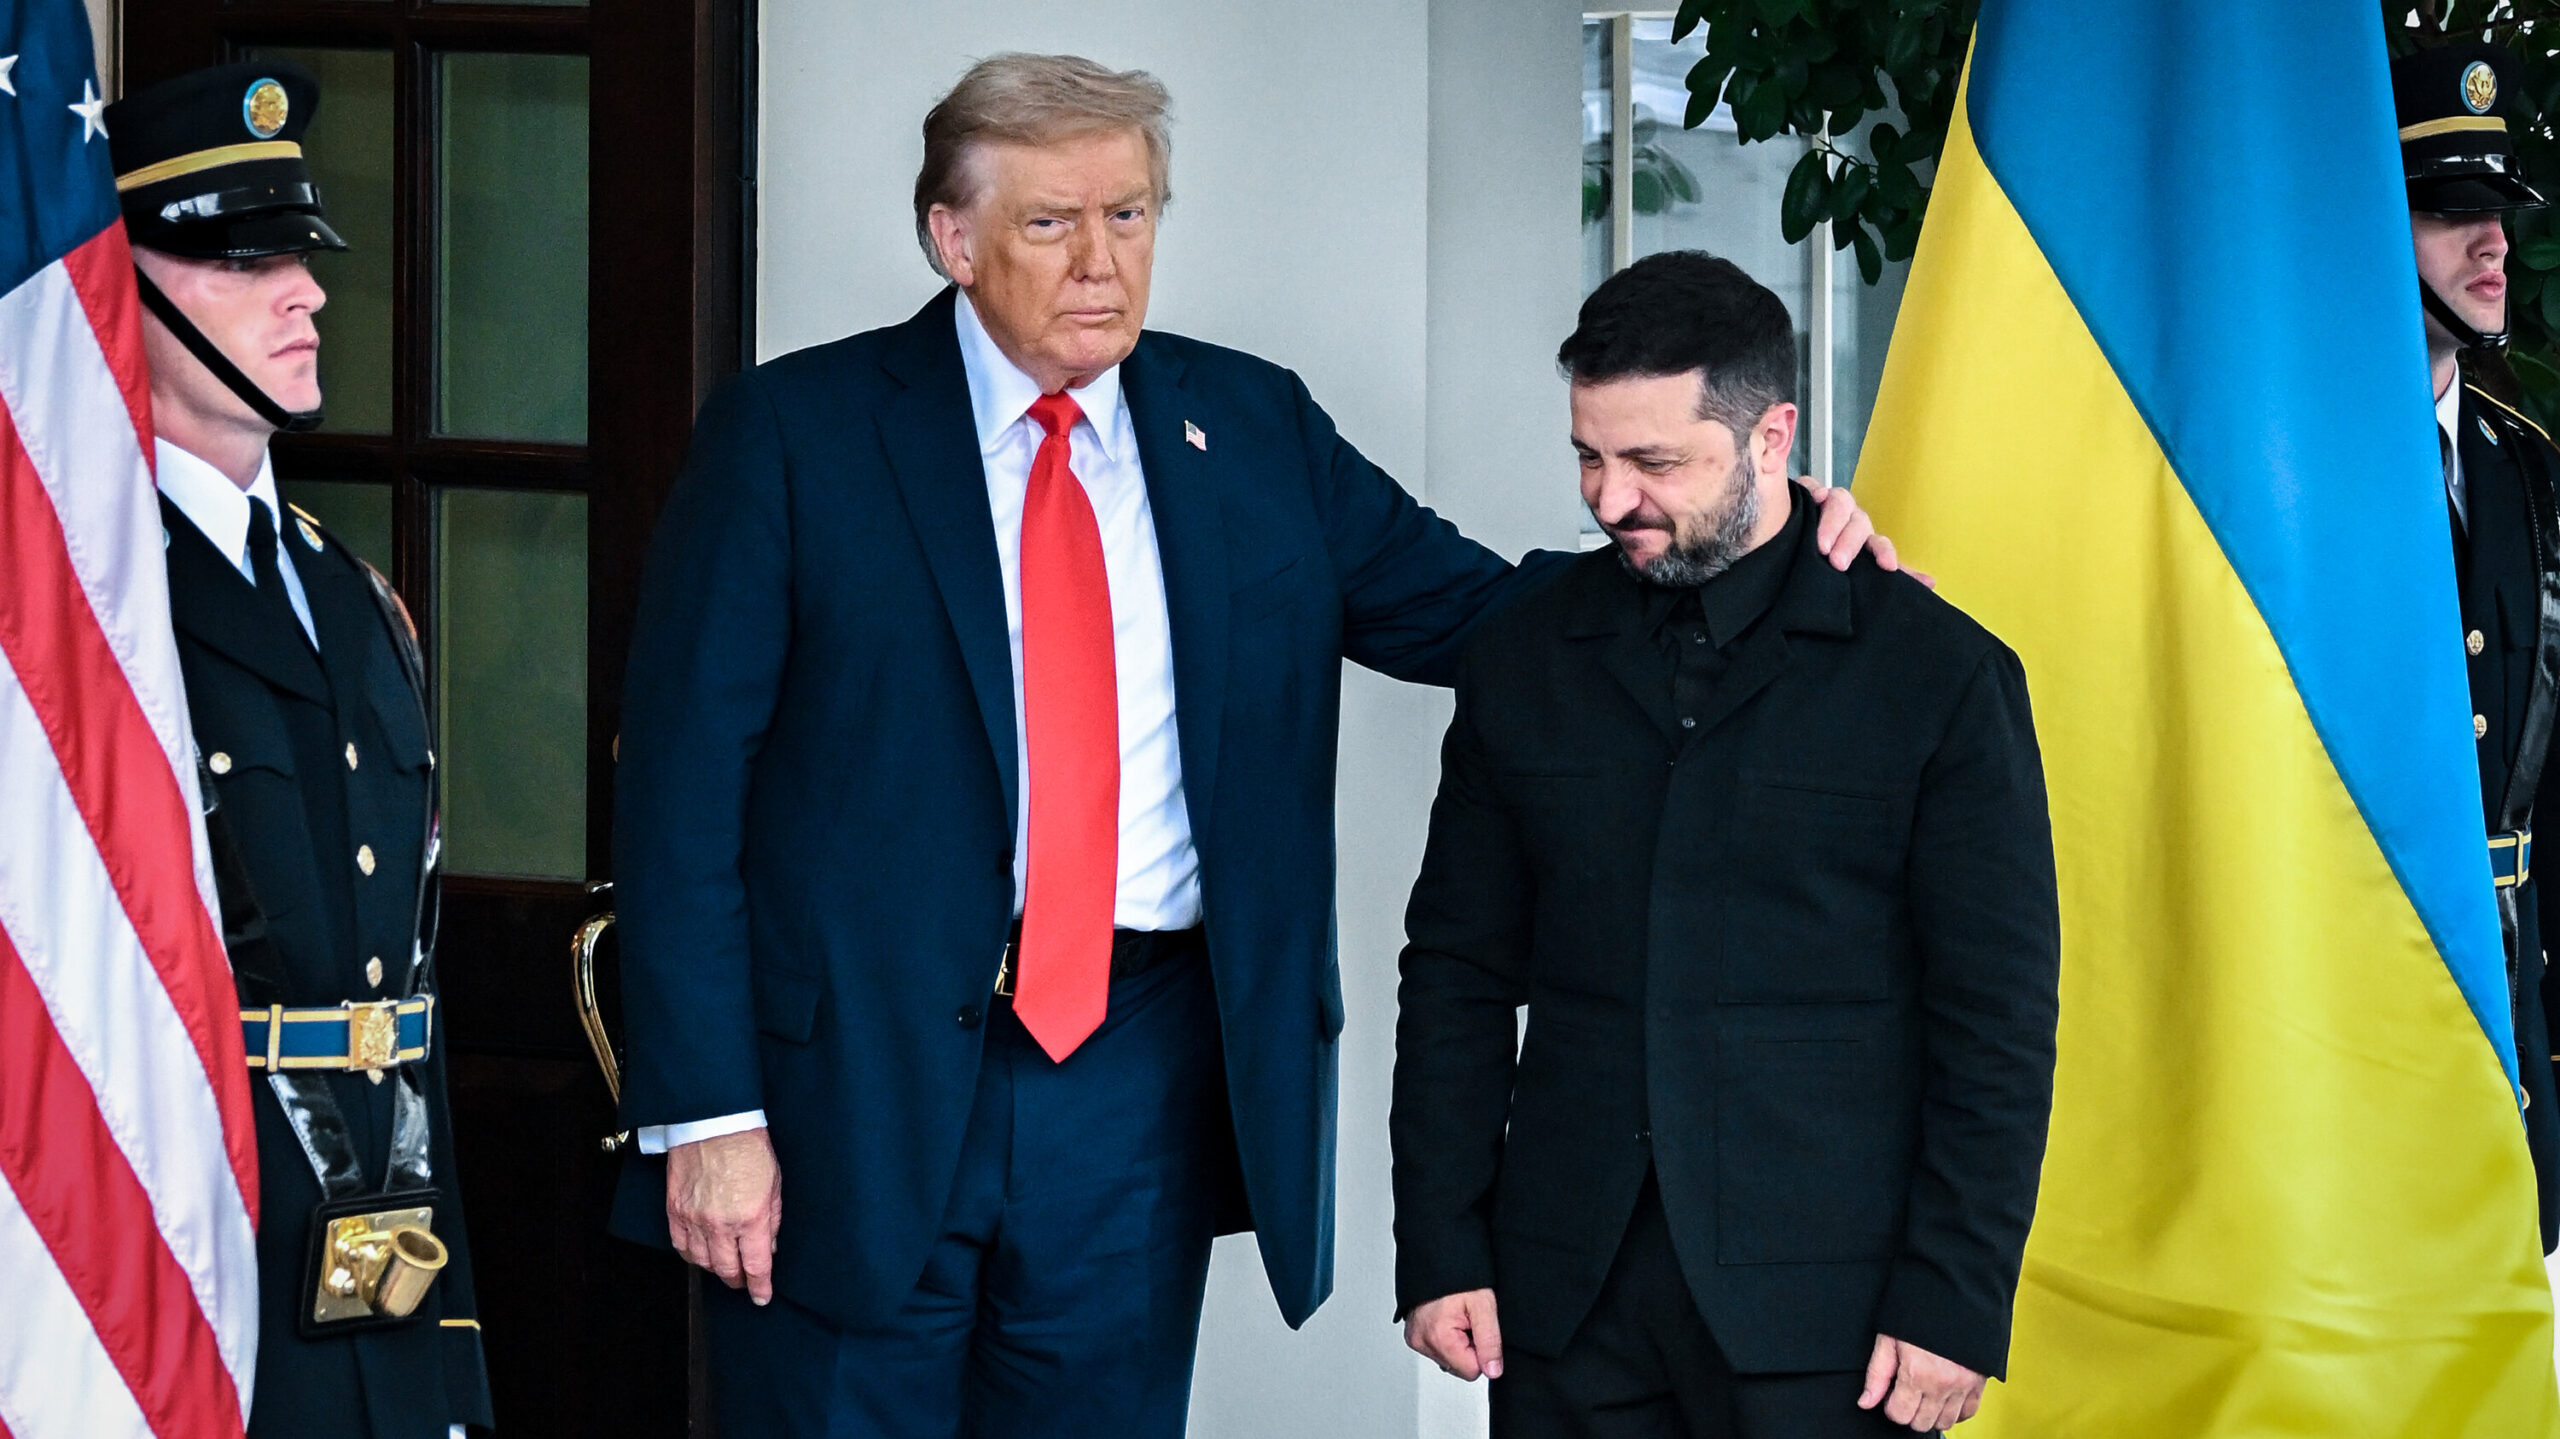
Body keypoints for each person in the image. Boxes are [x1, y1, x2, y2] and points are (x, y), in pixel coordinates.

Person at [611, 52, 1900, 1438]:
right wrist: (710, 1113)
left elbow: (1495, 620)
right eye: (1050, 221)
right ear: (953, 237)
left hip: (1135, 1070)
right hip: (846, 1092)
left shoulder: (1252, 427)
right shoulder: (794, 437)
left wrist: (1754, 535)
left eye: (1130, 214)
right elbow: (680, 797)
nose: (1101, 260)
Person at [1390, 251, 2060, 1437]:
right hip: (1565, 1301)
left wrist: (1954, 1297)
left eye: (1654, 463)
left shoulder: (1940, 675)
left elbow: (1995, 1016)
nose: (1611, 499)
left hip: (1836, 1321)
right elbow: (1455, 972)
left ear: (1771, 438)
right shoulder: (1521, 655)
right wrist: (1440, 1242)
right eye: (1588, 456)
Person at [108, 62, 492, 1439]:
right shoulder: (84, 614)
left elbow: (400, 997)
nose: (307, 294)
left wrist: (451, 1349)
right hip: (177, 1245)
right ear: (120, 293)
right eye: (244, 260)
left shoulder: (353, 593)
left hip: (380, 1238)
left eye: (302, 256)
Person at [2391, 40, 2560, 1252]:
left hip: (2513, 1016)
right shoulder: (2282, 480)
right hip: (2356, 1005)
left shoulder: (2528, 470)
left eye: (2496, 211)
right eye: (2452, 212)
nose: (2492, 242)